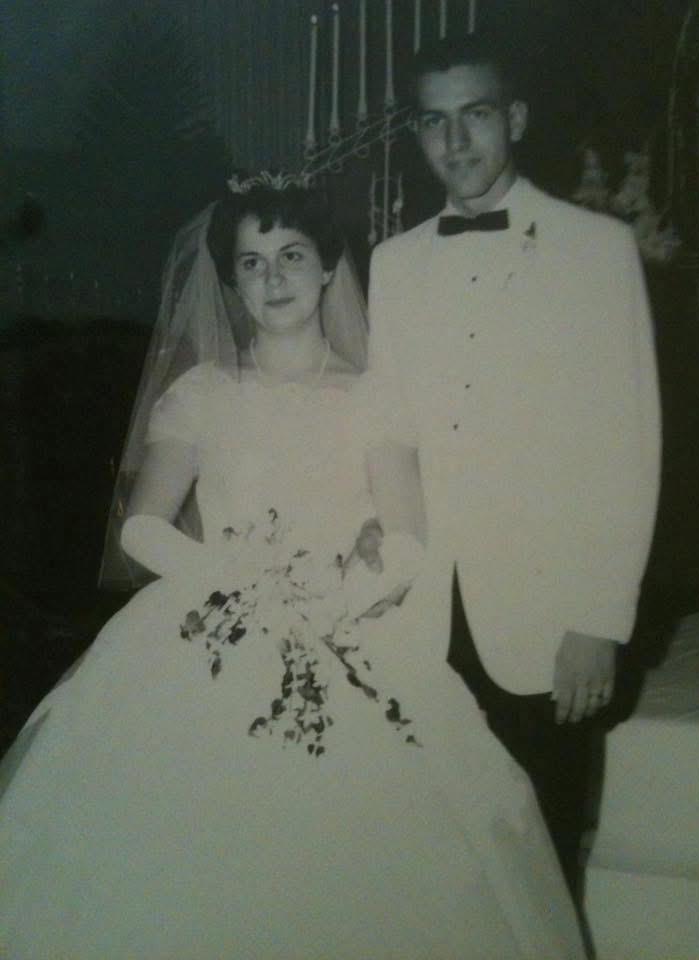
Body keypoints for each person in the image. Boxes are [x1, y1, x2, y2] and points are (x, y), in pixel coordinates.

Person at [0, 174, 587, 958]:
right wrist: (231, 582)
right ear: (232, 282)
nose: (273, 278)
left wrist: (340, 599)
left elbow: (410, 539)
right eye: (251, 263)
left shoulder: (374, 395)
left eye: (290, 255)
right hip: (205, 630)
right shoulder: (204, 394)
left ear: (326, 266)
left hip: (341, 631)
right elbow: (143, 526)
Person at [368, 33, 661, 905]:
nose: (455, 143)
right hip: (427, 620)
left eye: (477, 116)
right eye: (435, 121)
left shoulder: (595, 249)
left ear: (517, 120)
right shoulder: (393, 263)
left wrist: (599, 616)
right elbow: (389, 434)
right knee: (442, 867)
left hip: (546, 621)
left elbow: (629, 443)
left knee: (542, 865)